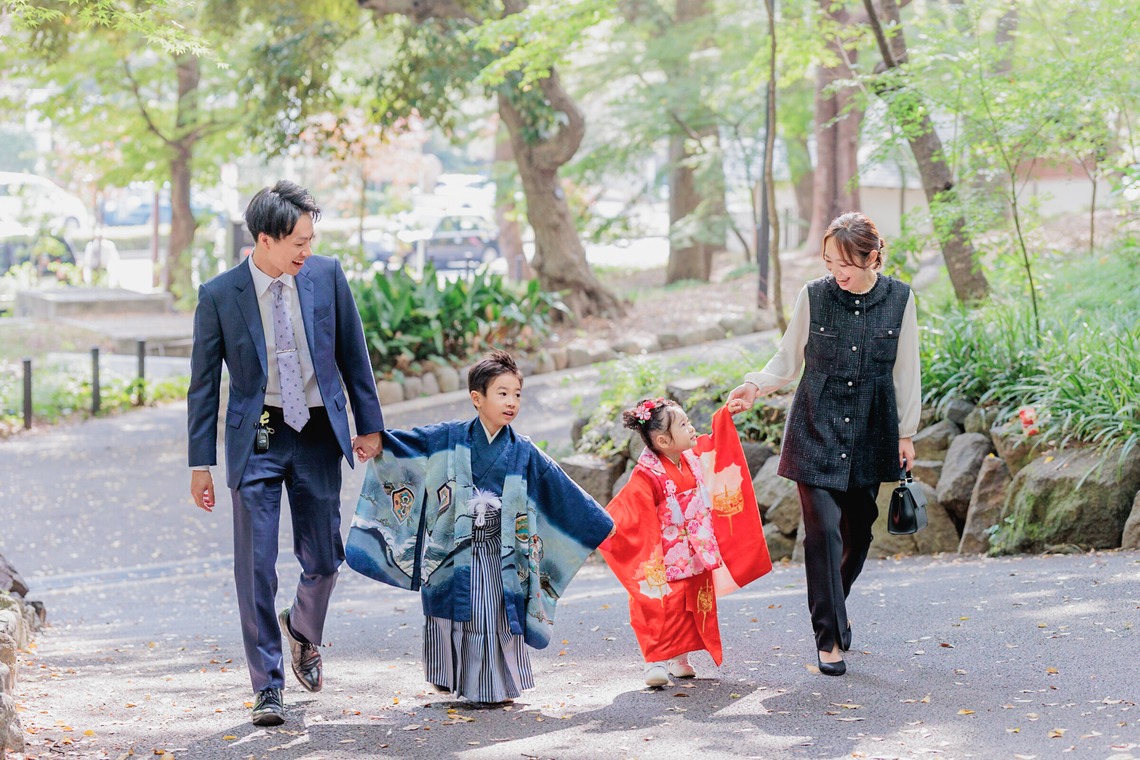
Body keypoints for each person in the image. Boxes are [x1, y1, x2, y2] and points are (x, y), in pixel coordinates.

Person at [187, 180, 385, 725]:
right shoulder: (220, 295)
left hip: (318, 429)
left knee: (324, 559)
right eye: (299, 240)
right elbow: (203, 385)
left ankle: (302, 628)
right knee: (254, 565)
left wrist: (369, 425)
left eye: (311, 238)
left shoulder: (325, 276)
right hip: (259, 434)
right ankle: (267, 687)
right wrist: (200, 462)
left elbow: (353, 352)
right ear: (265, 239)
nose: (308, 250)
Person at [345, 349, 614, 705]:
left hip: (501, 553)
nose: (511, 402)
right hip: (452, 551)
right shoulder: (447, 437)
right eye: (502, 393)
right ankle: (455, 677)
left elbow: (561, 490)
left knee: (495, 613)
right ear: (477, 398)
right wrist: (377, 440)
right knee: (456, 609)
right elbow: (406, 445)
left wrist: (599, 523)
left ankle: (491, 686)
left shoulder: (524, 451)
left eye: (517, 394)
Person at [726, 211, 920, 676]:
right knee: (824, 532)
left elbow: (907, 370)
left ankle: (837, 605)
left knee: (859, 532)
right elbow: (787, 356)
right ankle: (828, 636)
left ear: (873, 257)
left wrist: (906, 433)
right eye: (831, 262)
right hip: (815, 424)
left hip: (873, 428)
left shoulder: (900, 299)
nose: (838, 273)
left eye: (847, 264)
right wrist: (756, 384)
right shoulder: (813, 295)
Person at [599, 398, 772, 687]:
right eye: (684, 425)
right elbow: (629, 509)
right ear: (664, 440)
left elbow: (719, 446)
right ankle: (653, 661)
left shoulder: (693, 458)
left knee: (692, 604)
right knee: (661, 605)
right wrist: (602, 525)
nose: (692, 428)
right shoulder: (647, 474)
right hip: (665, 555)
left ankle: (680, 657)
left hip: (697, 549)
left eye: (689, 422)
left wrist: (725, 416)